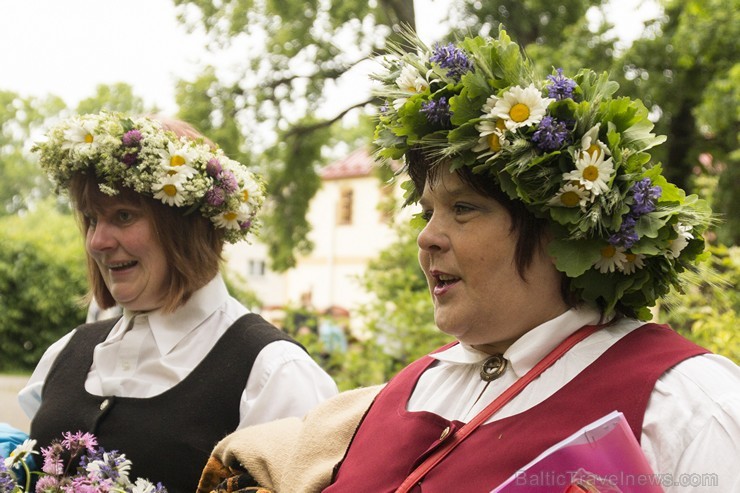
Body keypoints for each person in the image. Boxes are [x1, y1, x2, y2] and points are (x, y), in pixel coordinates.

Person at [196, 29, 740, 493]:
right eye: (428, 211)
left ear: (558, 231)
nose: (427, 238)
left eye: (463, 208)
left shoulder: (686, 403)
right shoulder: (407, 390)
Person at [18, 111, 338, 492]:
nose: (96, 242)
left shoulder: (273, 373)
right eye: (90, 219)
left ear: (186, 228)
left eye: (123, 216)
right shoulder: (65, 353)